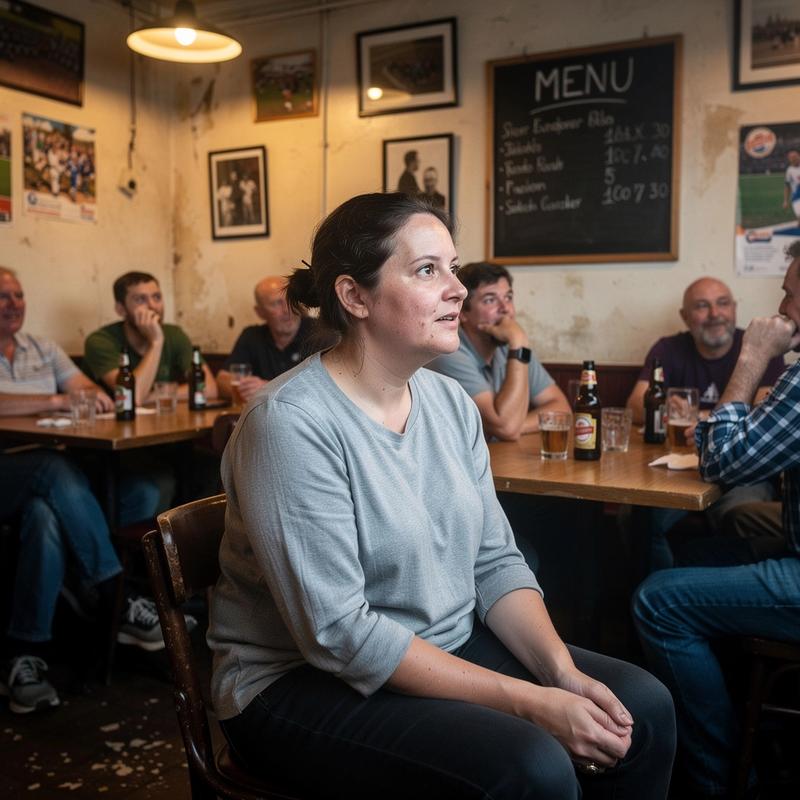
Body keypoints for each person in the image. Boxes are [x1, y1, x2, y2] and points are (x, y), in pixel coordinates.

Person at [207, 193, 675, 799]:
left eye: (453, 267)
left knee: (645, 708)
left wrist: (561, 673)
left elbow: (494, 561)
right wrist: (531, 703)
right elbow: (339, 633)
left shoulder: (449, 403)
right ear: (354, 296)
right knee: (530, 765)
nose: (457, 289)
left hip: (444, 640)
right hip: (295, 683)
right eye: (429, 270)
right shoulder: (290, 423)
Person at [633, 242, 800, 799]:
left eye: (790, 293)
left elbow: (725, 459)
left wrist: (751, 359)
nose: (779, 306)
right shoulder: (669, 347)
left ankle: (723, 779)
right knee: (698, 550)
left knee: (656, 598)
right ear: (687, 317)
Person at [0, 268, 169, 714]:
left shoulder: (42, 347)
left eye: (18, 294)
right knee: (54, 472)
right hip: (10, 468)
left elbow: (92, 392)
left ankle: (24, 657)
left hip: (54, 470)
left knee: (46, 514)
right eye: (3, 296)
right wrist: (54, 401)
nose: (13, 303)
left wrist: (79, 396)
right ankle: (120, 596)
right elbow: (60, 398)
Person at [626, 277, 785, 568]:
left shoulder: (760, 348)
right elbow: (635, 404)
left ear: (734, 309)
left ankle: (714, 599)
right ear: (685, 316)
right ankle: (656, 599)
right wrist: (662, 407)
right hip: (676, 471)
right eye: (702, 306)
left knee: (738, 518)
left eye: (722, 303)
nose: (714, 314)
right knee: (644, 518)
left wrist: (701, 418)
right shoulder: (668, 348)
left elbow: (766, 411)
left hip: (742, 471)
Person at [428, 261, 570, 441]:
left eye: (508, 297)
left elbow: (561, 408)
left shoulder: (509, 347)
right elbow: (505, 427)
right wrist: (519, 343)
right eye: (490, 300)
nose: (505, 309)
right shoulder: (449, 354)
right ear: (462, 311)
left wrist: (518, 426)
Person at [83, 271, 217, 407]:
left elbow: (210, 389)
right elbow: (133, 397)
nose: (152, 306)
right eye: (140, 299)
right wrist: (156, 342)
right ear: (121, 309)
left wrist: (154, 396)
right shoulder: (100, 341)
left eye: (157, 297)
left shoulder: (174, 334)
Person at [216, 276, 323, 404]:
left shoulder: (321, 334)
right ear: (260, 312)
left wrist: (267, 388)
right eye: (276, 303)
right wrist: (247, 388)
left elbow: (325, 388)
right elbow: (222, 380)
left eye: (290, 300)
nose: (287, 310)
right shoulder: (252, 336)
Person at [783, 149, 800, 225]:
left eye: (795, 156)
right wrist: (786, 201)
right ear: (789, 159)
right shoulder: (789, 171)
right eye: (792, 157)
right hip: (796, 197)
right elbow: (787, 187)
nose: (794, 158)